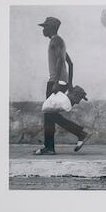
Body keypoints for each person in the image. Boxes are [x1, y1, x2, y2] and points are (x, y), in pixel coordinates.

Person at [35, 16, 84, 155]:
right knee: (50, 115)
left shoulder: (56, 40)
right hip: (60, 82)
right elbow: (70, 63)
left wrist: (56, 82)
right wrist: (70, 83)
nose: (43, 29)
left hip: (55, 82)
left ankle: (79, 133)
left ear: (52, 28)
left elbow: (62, 61)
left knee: (49, 114)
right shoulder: (58, 41)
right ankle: (49, 147)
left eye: (45, 27)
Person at [40, 85, 90, 154]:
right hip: (55, 85)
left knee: (50, 116)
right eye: (76, 100)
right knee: (51, 116)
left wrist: (55, 83)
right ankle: (80, 133)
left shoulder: (64, 90)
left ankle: (49, 148)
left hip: (54, 85)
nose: (76, 103)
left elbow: (66, 75)